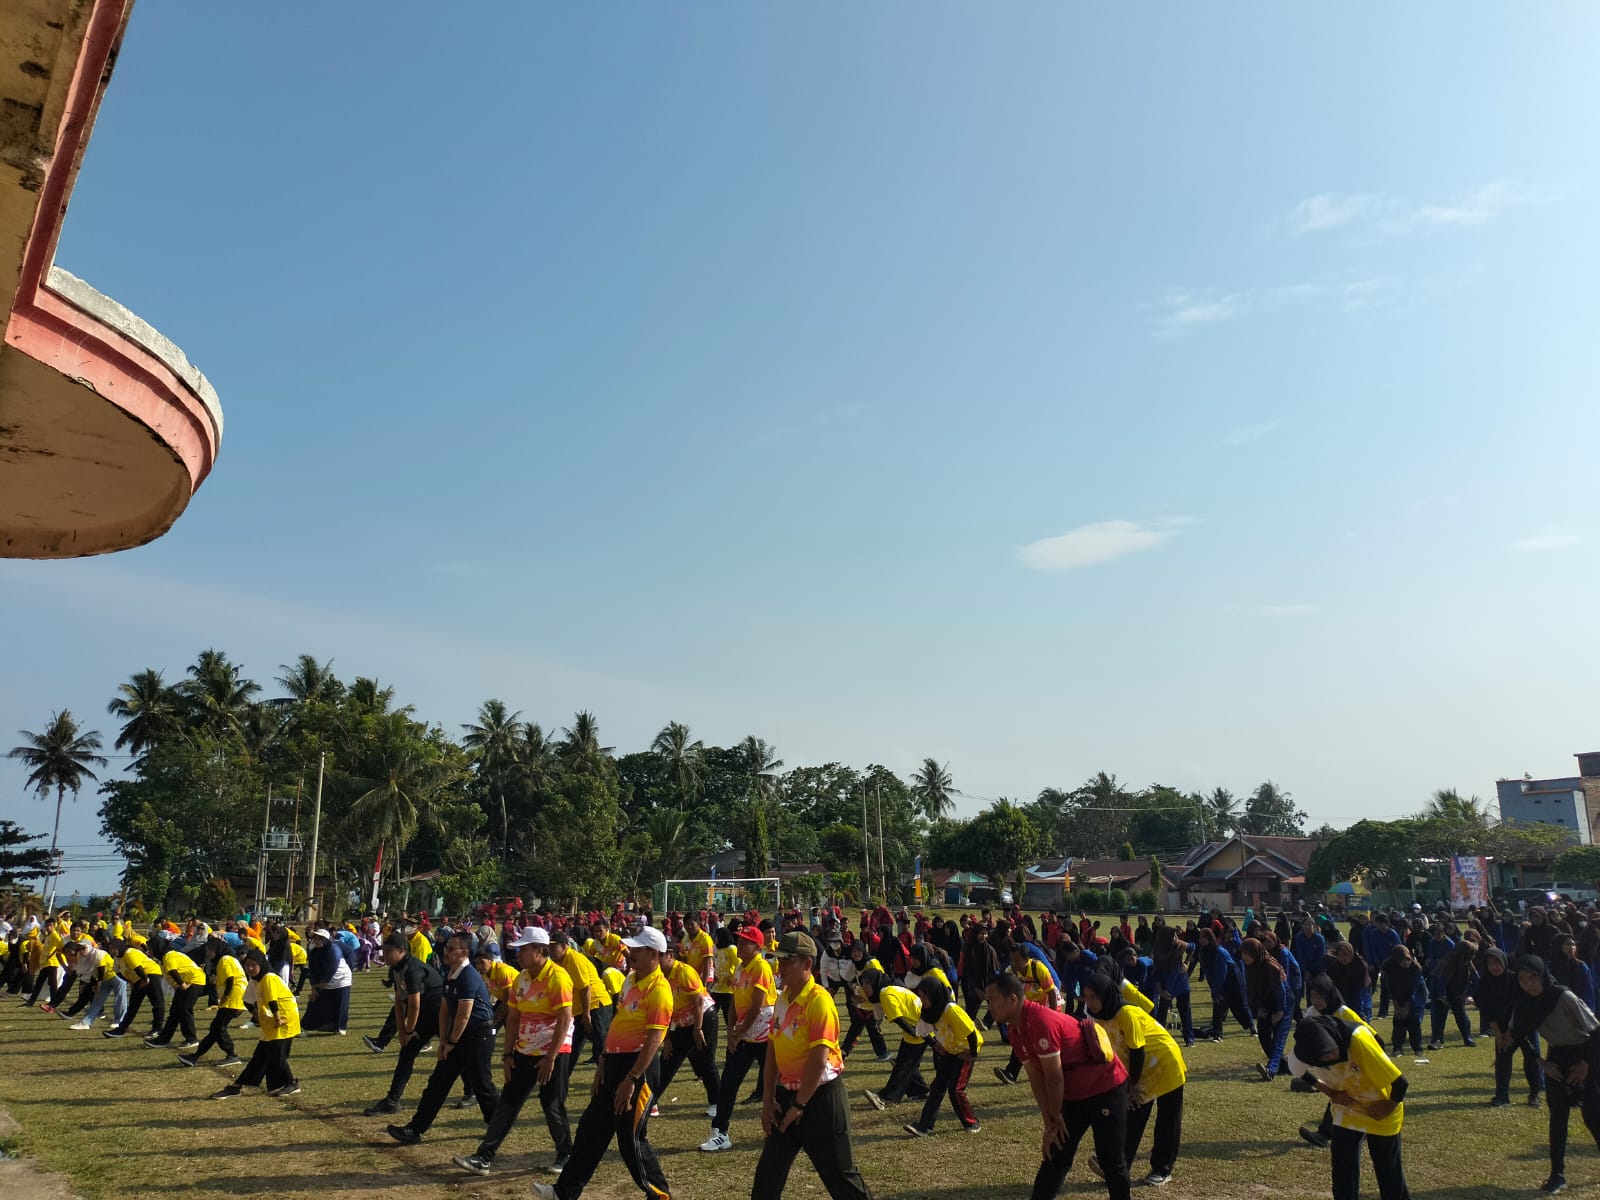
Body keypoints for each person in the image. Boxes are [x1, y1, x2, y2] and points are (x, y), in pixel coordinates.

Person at [531, 925, 673, 1200]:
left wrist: (631, 1079)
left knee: (631, 1140)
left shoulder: (659, 990)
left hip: (637, 1069)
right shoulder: (631, 980)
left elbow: (654, 1040)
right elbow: (619, 1024)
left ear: (654, 954)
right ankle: (564, 1192)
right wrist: (603, 1064)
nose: (629, 952)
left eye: (637, 949)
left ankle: (659, 1194)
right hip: (614, 1064)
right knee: (591, 1131)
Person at [747, 932, 874, 1199]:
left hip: (820, 1098)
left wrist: (799, 1105)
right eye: (778, 961)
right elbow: (773, 1050)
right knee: (767, 1179)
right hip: (786, 1096)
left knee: (841, 1177)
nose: (779, 968)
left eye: (787, 961)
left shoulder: (819, 1001)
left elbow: (818, 1061)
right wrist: (769, 1099)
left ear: (807, 963)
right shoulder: (783, 998)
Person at [985, 971, 1131, 1200]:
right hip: (1074, 1094)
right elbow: (1036, 1077)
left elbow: (1054, 1076)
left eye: (992, 1000)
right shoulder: (1015, 1030)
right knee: (1055, 1154)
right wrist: (1049, 1123)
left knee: (1111, 1160)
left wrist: (1055, 1114)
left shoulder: (1042, 1021)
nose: (989, 1007)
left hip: (1106, 1088)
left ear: (1013, 1000)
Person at [452, 927, 575, 1176]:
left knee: (551, 1104)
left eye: (524, 949)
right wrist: (508, 1055)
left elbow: (565, 1018)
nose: (518, 954)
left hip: (553, 1050)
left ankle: (567, 1154)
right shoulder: (522, 978)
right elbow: (514, 1018)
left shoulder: (558, 978)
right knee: (508, 1103)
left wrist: (551, 1057)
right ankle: (484, 1156)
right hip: (524, 1050)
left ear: (540, 951)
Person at [385, 932, 501, 1144]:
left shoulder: (467, 975)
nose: (446, 952)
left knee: (482, 1084)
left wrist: (452, 1042)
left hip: (478, 1036)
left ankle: (497, 1127)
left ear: (465, 952)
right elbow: (445, 1009)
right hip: (459, 1036)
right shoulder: (451, 973)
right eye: (446, 947)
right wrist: (444, 1040)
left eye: (451, 949)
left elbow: (465, 1013)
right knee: (437, 1084)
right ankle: (414, 1130)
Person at [1290, 1011, 1412, 1200]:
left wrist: (1388, 1106)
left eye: (1332, 1049)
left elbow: (1400, 1083)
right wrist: (1332, 1093)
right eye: (1326, 1054)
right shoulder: (1305, 1049)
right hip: (1348, 1110)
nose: (1333, 1053)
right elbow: (1297, 1070)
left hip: (1382, 1106)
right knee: (1342, 1166)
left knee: (1388, 1169)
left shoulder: (1359, 1040)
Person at [1082, 972, 1186, 1187]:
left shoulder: (1126, 1013)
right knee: (1132, 1115)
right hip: (1141, 1069)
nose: (1089, 1002)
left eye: (1094, 997)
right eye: (1086, 997)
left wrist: (1131, 1085)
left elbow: (1137, 1051)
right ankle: (1119, 1164)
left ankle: (1162, 1169)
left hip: (1165, 1062)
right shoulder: (1100, 1018)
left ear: (1106, 995)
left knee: (1168, 1118)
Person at [1510, 955, 1600, 1195]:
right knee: (1558, 1115)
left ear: (1543, 976)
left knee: (1592, 1116)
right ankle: (1557, 1174)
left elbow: (1596, 1031)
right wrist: (1542, 1063)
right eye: (1522, 979)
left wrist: (1586, 1065)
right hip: (1557, 1058)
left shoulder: (1564, 997)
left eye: (1532, 977)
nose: (1528, 983)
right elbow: (1519, 1034)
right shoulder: (1524, 1002)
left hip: (1585, 1054)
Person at [701, 924, 776, 1152]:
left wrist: (738, 1032)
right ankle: (720, 1132)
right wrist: (732, 1029)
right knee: (729, 1085)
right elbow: (734, 1001)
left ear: (757, 946)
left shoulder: (761, 967)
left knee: (776, 1085)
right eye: (740, 941)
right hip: (743, 1034)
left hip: (764, 1035)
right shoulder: (741, 968)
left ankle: (785, 1130)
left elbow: (756, 1006)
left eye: (745, 942)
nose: (740, 945)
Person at [364, 931, 445, 1116]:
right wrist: (401, 1031)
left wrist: (409, 1031)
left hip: (439, 1013)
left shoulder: (412, 968)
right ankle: (392, 1101)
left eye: (387, 950)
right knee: (407, 1053)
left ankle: (471, 1092)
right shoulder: (395, 968)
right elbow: (400, 1002)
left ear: (400, 950)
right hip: (424, 1015)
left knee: (454, 1052)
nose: (383, 955)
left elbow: (414, 1004)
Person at [212, 949, 300, 1098]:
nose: (250, 968)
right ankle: (236, 1087)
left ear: (261, 964)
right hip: (272, 1022)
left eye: (254, 965)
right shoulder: (256, 981)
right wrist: (257, 1017)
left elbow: (272, 1000)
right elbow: (246, 1001)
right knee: (261, 1056)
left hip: (284, 1020)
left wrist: (278, 1019)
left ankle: (291, 1083)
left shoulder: (269, 978)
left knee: (275, 1054)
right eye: (247, 965)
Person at [904, 975, 982, 1137]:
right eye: (920, 996)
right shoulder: (927, 1011)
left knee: (956, 1089)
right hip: (950, 1051)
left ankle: (971, 1122)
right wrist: (936, 1046)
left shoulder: (950, 1010)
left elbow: (971, 1034)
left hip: (965, 1051)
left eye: (925, 996)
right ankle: (924, 1126)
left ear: (934, 995)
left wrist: (973, 1054)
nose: (922, 1000)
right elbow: (922, 1032)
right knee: (937, 1087)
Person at [654, 941, 721, 1118]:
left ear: (670, 955)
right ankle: (651, 1101)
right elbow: (664, 1009)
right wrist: (667, 1038)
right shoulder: (658, 977)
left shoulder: (684, 971)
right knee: (667, 1060)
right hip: (680, 1022)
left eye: (658, 955)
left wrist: (698, 1028)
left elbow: (698, 1001)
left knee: (705, 1060)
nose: (655, 960)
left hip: (703, 1017)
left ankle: (716, 1102)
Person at [1478, 945, 1543, 1108]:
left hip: (1523, 1025)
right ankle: (1501, 1096)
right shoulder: (1484, 984)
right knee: (1502, 1060)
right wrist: (1499, 1034)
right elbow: (1486, 1010)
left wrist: (1510, 1031)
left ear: (1504, 961)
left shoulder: (1516, 979)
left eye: (1497, 962)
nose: (1494, 967)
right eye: (1490, 963)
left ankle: (1534, 1093)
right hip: (1500, 1027)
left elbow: (1521, 1005)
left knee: (1531, 1058)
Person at [859, 968, 930, 1110]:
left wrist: (915, 1033)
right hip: (920, 1025)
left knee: (904, 1065)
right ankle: (920, 1091)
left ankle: (886, 1098)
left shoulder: (886, 994)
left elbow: (898, 1018)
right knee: (907, 1062)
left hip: (920, 1027)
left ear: (875, 982)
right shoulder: (887, 990)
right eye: (863, 984)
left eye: (867, 984)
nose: (864, 987)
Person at [180, 937, 245, 1067]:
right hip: (234, 998)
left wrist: (225, 998)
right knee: (215, 1029)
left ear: (217, 949)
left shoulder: (225, 960)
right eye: (207, 950)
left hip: (234, 997)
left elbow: (231, 980)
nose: (208, 953)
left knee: (218, 1028)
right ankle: (194, 1057)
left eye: (210, 950)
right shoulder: (225, 959)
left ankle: (232, 1055)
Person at [1241, 937, 1292, 1081]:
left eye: (1247, 953)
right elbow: (1252, 989)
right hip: (1266, 1003)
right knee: (1263, 1035)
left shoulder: (1270, 966)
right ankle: (1283, 1067)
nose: (1244, 957)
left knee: (1278, 1038)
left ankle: (1271, 1070)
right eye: (1243, 953)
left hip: (1284, 1002)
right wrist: (1258, 1008)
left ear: (1256, 952)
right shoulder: (1250, 966)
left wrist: (1279, 1011)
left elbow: (1280, 989)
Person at [302, 927, 353, 1035]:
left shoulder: (333, 950)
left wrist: (320, 986)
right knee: (314, 1003)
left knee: (340, 1004)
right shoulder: (314, 952)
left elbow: (331, 969)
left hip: (341, 979)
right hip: (323, 981)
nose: (317, 940)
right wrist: (314, 987)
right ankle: (304, 1027)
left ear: (326, 940)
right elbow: (312, 970)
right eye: (315, 938)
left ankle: (339, 1028)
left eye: (320, 938)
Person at [1380, 945, 1426, 1059]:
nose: (1406, 963)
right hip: (1398, 993)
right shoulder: (1389, 966)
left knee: (1413, 1020)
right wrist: (1396, 1004)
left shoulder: (1416, 968)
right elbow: (1389, 986)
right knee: (1398, 1020)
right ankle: (1397, 1048)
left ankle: (1417, 1048)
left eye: (1408, 960)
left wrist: (1407, 1005)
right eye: (1403, 961)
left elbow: (1414, 989)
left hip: (1416, 994)